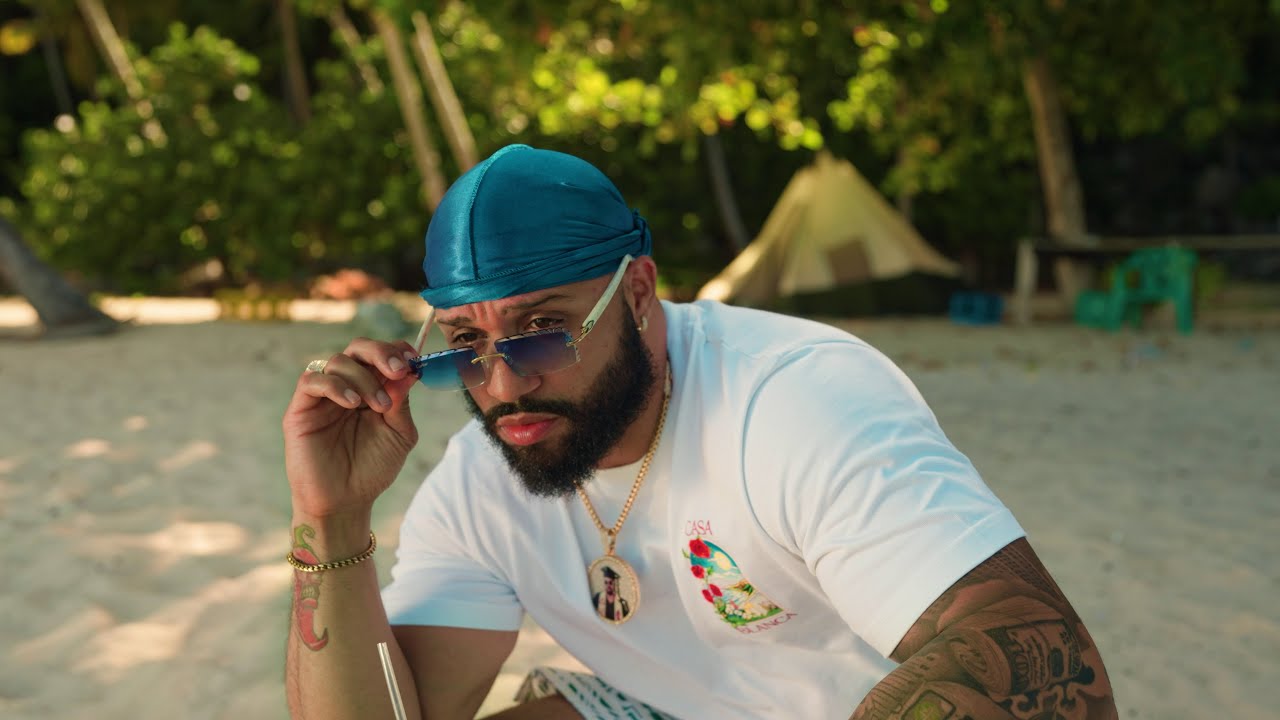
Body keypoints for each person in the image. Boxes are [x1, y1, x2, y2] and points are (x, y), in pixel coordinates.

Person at [282, 144, 1117, 719]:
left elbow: (1043, 658)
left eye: (542, 330)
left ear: (639, 292)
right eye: (465, 346)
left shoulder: (794, 402)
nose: (503, 386)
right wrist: (332, 519)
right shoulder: (480, 480)